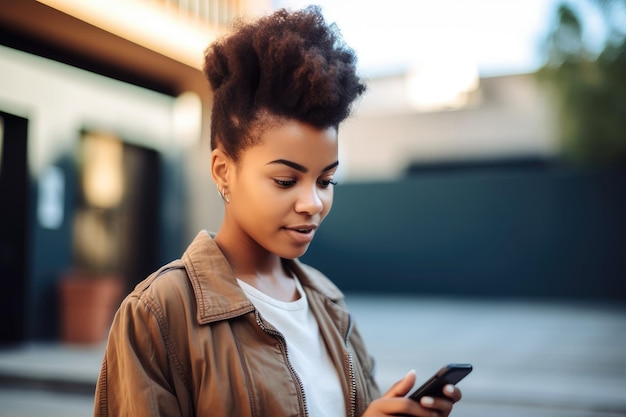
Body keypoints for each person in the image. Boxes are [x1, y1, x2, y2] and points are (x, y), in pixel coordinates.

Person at [94, 6, 462, 417]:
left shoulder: (329, 304)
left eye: (326, 181)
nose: (313, 203)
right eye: (286, 181)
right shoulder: (159, 314)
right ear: (223, 171)